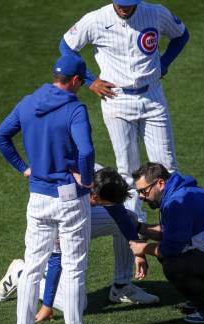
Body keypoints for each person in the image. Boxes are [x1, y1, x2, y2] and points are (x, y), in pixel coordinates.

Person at [0, 55, 102, 324]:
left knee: (32, 268)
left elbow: (1, 136)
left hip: (38, 197)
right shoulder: (74, 109)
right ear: (77, 80)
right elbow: (87, 150)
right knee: (74, 267)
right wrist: (88, 180)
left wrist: (24, 168)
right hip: (69, 198)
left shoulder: (28, 102)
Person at [59, 0, 190, 223]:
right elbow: (67, 46)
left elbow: (181, 34)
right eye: (120, 3)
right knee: (127, 169)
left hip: (153, 96)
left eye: (129, 3)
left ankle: (176, 221)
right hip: (116, 98)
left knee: (167, 167)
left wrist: (164, 63)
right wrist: (90, 81)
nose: (124, 7)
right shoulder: (96, 19)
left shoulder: (155, 13)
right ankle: (134, 225)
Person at [0, 166, 159, 321]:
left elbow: (121, 216)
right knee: (78, 306)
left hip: (82, 212)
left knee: (129, 217)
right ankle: (21, 274)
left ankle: (121, 286)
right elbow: (56, 258)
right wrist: (47, 304)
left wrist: (139, 253)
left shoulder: (105, 179)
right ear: (95, 197)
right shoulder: (66, 192)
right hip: (52, 225)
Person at [127, 162, 204, 323]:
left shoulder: (178, 201)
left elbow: (170, 248)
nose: (141, 196)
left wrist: (143, 248)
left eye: (143, 191)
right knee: (168, 257)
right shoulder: (179, 193)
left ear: (160, 183)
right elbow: (169, 233)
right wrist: (139, 227)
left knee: (173, 265)